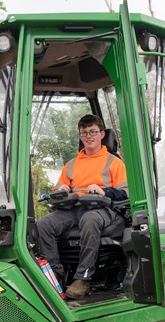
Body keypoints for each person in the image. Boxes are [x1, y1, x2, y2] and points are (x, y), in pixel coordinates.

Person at [36, 114, 129, 300]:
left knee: (90, 219)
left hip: (103, 210)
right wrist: (61, 189)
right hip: (73, 209)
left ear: (102, 134)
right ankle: (54, 276)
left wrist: (104, 191)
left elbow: (125, 193)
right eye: (84, 133)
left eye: (93, 132)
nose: (89, 136)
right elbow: (57, 190)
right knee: (43, 224)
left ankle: (83, 277)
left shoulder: (114, 162)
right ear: (80, 136)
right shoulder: (71, 165)